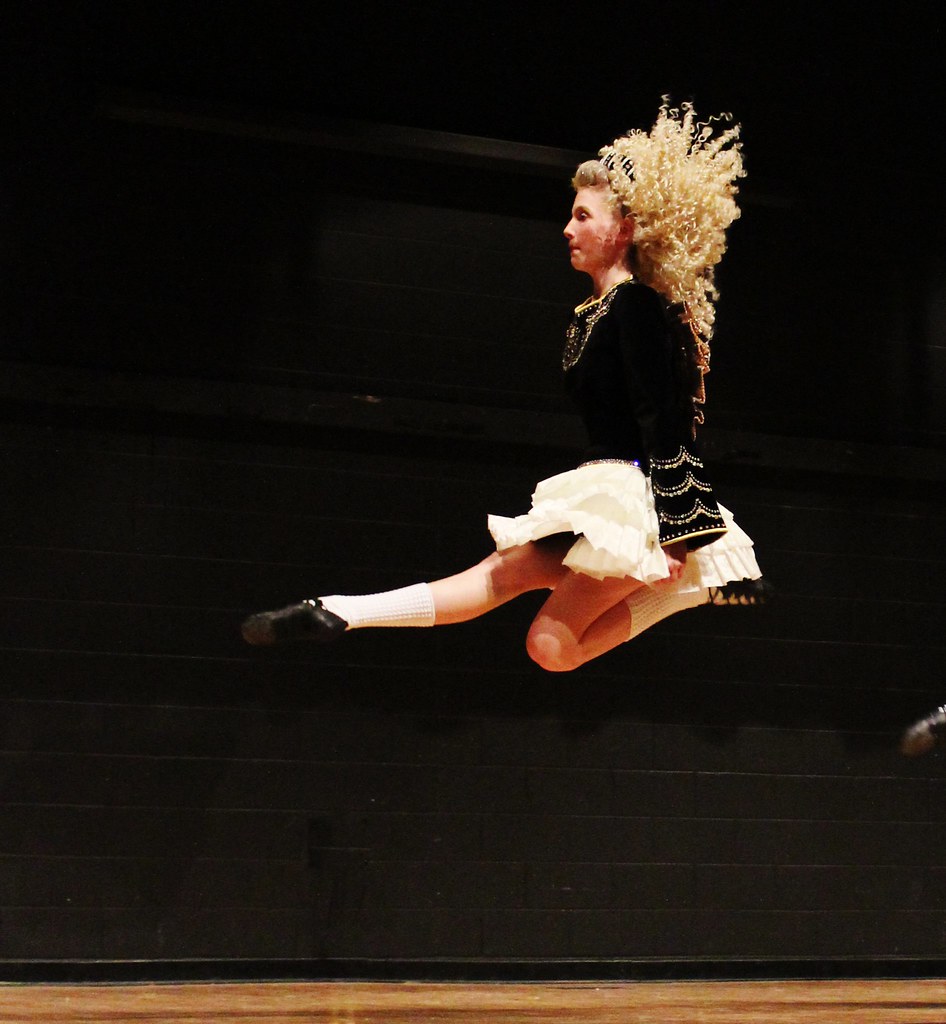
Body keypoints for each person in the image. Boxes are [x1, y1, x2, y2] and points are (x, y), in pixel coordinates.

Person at [241, 100, 765, 671]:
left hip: (637, 502)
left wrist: (679, 535)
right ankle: (338, 611)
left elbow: (663, 417)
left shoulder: (635, 305)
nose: (567, 229)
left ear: (624, 230)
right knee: (503, 574)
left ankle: (692, 586)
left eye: (583, 216)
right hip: (603, 492)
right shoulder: (592, 312)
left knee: (550, 647)